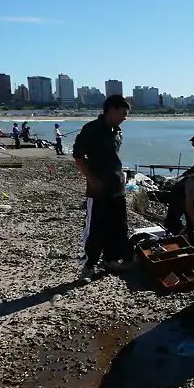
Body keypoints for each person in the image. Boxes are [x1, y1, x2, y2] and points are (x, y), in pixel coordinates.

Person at [72, 95, 132, 283]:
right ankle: (89, 266)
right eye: (123, 113)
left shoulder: (118, 132)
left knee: (118, 227)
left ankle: (111, 260)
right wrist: (92, 179)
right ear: (111, 110)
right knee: (95, 227)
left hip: (118, 187)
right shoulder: (91, 129)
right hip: (98, 189)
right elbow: (78, 156)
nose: (125, 117)